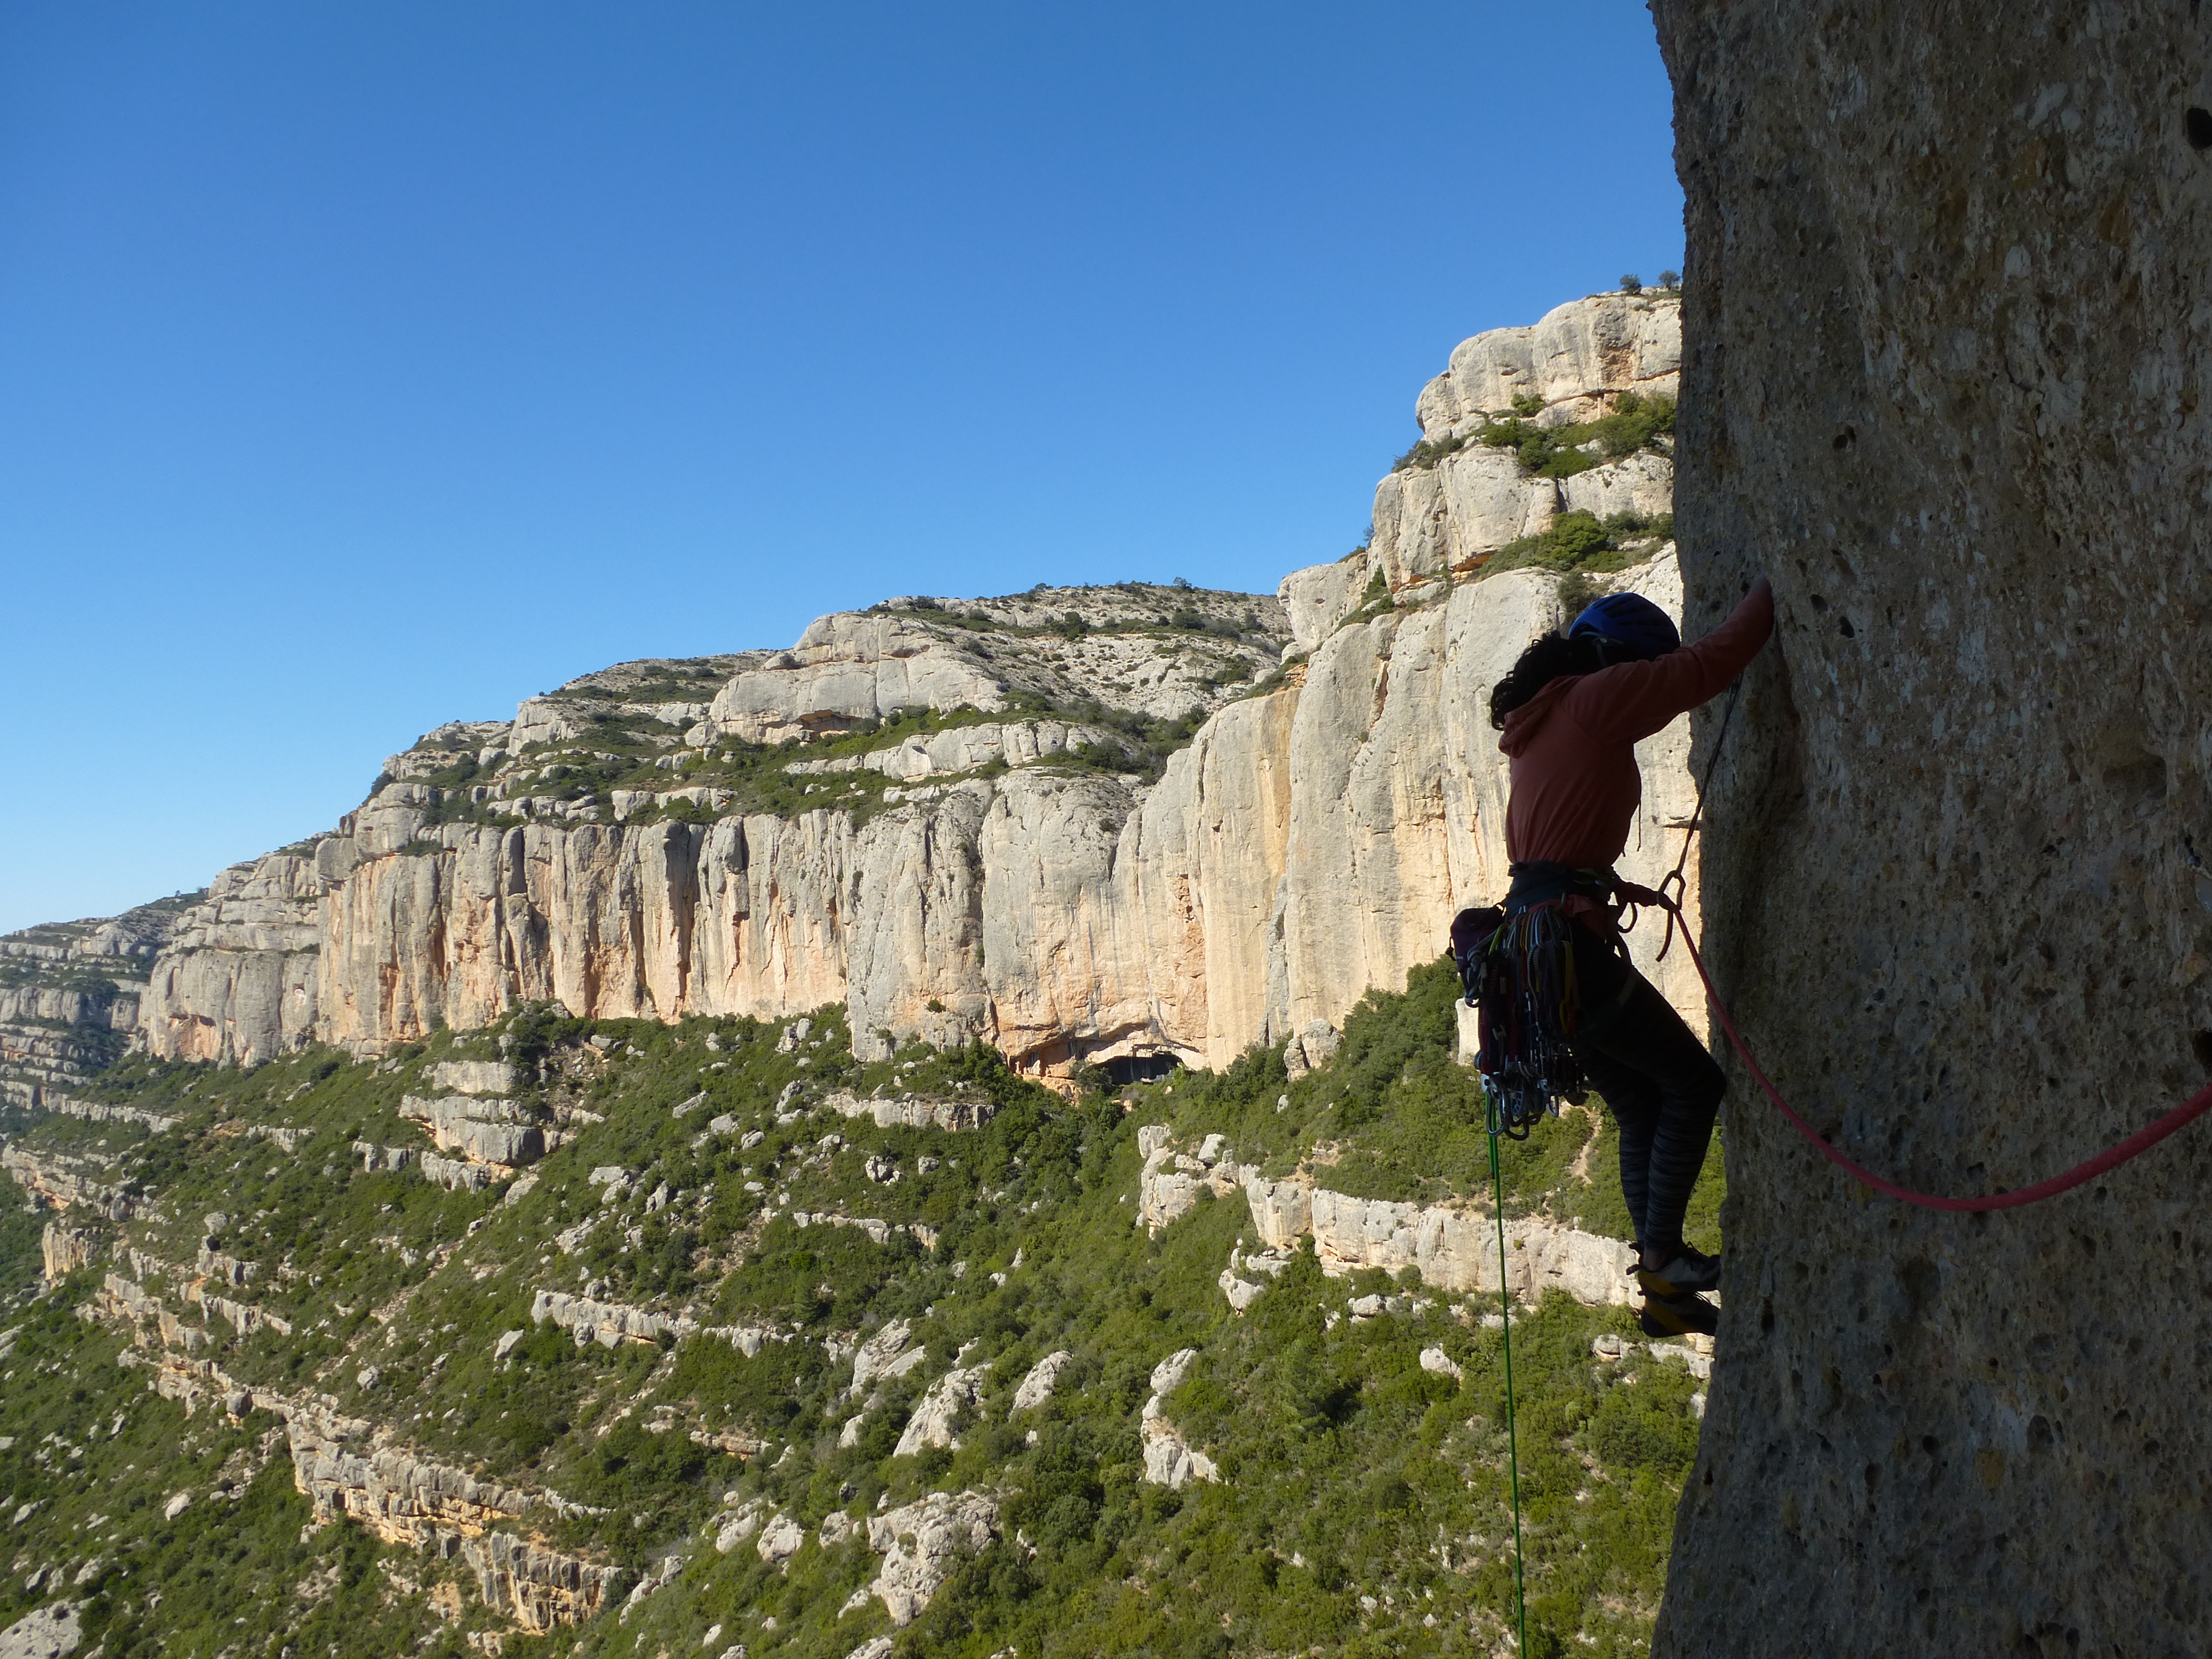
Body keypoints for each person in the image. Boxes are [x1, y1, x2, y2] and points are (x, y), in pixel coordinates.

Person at [1488, 575, 1773, 1337]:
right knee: (1691, 1082)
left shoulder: (1542, 720)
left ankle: (1663, 1291)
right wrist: (1779, 581)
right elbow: (1709, 666)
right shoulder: (1593, 699)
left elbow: (1558, 838)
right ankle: (1665, 1259)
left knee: (1638, 1100)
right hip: (1567, 945)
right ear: (1617, 659)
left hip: (1537, 947)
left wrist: (1613, 884)